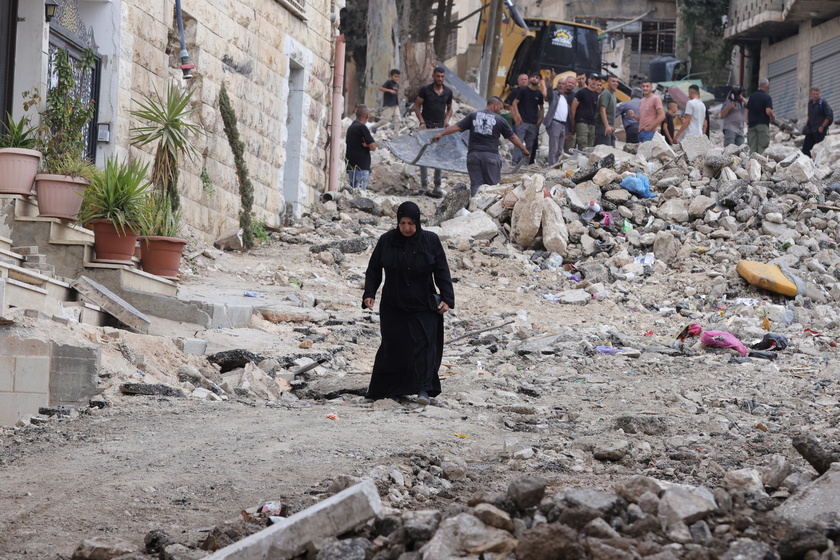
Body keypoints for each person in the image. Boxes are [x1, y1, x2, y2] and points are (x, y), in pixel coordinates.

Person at [363, 201, 454, 405]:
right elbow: (374, 268)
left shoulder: (430, 240)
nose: (406, 228)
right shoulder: (387, 240)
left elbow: (441, 270)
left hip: (423, 303)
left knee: (423, 345)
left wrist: (447, 298)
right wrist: (370, 292)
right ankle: (394, 389)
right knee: (394, 345)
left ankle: (423, 389)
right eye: (402, 223)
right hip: (393, 304)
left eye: (411, 223)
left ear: (418, 222)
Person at [432, 97, 529, 195]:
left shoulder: (473, 115)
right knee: (492, 187)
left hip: (473, 156)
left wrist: (441, 134)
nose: (500, 111)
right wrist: (524, 149)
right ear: (494, 106)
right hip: (490, 156)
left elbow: (457, 126)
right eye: (500, 108)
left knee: (476, 185)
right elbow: (512, 137)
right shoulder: (500, 120)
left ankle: (474, 206)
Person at [414, 67, 453, 198]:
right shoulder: (425, 90)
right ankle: (424, 185)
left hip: (440, 128)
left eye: (442, 76)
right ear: (433, 76)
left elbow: (449, 109)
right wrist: (421, 122)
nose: (440, 79)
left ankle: (437, 185)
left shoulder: (448, 91)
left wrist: (447, 121)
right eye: (438, 76)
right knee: (424, 155)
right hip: (427, 127)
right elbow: (417, 106)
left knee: (438, 156)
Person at [510, 72, 544, 164]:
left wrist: (541, 119)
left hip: (533, 123)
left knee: (530, 145)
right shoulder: (523, 91)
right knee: (519, 143)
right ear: (530, 78)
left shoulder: (539, 94)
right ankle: (514, 162)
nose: (534, 79)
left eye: (537, 77)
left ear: (539, 80)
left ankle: (525, 164)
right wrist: (517, 116)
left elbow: (541, 108)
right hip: (522, 122)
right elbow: (514, 103)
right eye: (533, 77)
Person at [345, 105, 376, 190]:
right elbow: (373, 147)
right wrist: (368, 145)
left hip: (351, 167)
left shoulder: (351, 127)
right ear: (367, 116)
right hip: (361, 168)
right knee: (360, 196)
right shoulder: (362, 127)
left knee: (353, 194)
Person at [545, 75, 571, 165]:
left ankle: (555, 165)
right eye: (559, 83)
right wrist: (551, 80)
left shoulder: (566, 98)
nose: (560, 85)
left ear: (566, 86)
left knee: (559, 150)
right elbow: (549, 92)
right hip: (554, 124)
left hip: (563, 125)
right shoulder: (554, 95)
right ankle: (551, 167)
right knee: (554, 149)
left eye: (563, 84)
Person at [746, 78, 776, 155]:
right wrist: (773, 117)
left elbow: (746, 110)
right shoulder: (767, 97)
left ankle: (752, 163)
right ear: (767, 86)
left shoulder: (752, 96)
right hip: (762, 124)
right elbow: (768, 111)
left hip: (752, 125)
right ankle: (760, 164)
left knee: (752, 146)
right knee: (762, 146)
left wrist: (748, 121)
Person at [802, 87, 834, 158]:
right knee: (805, 148)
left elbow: (829, 116)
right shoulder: (810, 103)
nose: (815, 96)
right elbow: (810, 116)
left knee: (820, 149)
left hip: (819, 131)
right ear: (810, 94)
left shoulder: (823, 103)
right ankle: (809, 163)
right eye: (814, 94)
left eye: (817, 94)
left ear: (819, 94)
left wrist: (822, 126)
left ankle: (818, 165)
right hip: (811, 130)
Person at [571, 73, 599, 149]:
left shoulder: (595, 95)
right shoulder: (581, 92)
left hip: (591, 123)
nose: (594, 81)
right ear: (588, 80)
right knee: (583, 144)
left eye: (596, 80)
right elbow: (573, 108)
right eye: (592, 79)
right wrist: (573, 123)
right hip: (582, 122)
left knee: (590, 146)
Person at [596, 75, 619, 147]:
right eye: (613, 81)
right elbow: (602, 110)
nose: (615, 83)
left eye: (617, 82)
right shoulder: (606, 93)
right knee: (605, 153)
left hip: (610, 127)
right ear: (608, 82)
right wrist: (607, 126)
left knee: (612, 151)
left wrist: (612, 126)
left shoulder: (613, 94)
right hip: (603, 127)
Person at [560, 75, 578, 154]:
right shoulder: (558, 94)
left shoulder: (576, 96)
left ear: (574, 85)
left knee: (569, 152)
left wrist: (573, 127)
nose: (570, 84)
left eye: (572, 83)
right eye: (568, 82)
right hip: (559, 125)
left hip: (571, 127)